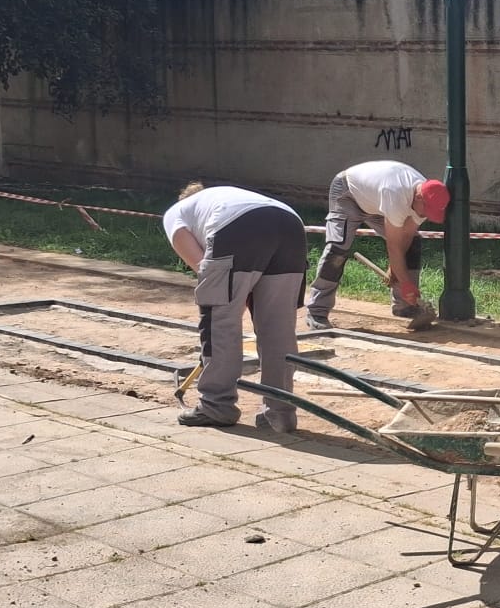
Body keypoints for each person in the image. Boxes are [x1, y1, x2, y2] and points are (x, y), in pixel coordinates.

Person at [162, 182, 306, 431]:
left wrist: (230, 304)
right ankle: (280, 413)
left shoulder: (175, 213)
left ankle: (216, 405)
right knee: (278, 328)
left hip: (238, 228)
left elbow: (204, 272)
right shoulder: (225, 198)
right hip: (292, 225)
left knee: (219, 321)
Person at [306, 161, 451, 330]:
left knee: (413, 245)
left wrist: (395, 268)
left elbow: (406, 236)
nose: (426, 215)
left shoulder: (426, 198)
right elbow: (394, 247)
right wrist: (405, 282)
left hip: (374, 203)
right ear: (419, 197)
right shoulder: (395, 194)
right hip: (348, 194)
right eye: (426, 211)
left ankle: (404, 305)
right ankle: (317, 311)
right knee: (338, 249)